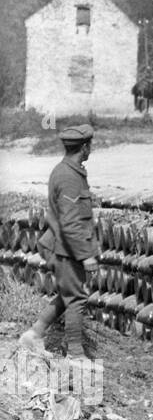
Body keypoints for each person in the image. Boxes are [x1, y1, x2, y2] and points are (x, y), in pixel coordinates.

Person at [20, 125, 100, 364]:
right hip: (64, 247)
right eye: (89, 146)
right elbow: (70, 222)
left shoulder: (71, 171)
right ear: (84, 147)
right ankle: (75, 354)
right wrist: (86, 255)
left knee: (69, 294)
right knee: (76, 298)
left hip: (64, 245)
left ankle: (34, 334)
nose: (90, 150)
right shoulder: (68, 177)